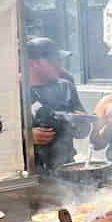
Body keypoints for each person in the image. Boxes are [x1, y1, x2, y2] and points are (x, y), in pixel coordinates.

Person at [27, 37, 90, 172]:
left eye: (59, 60)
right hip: (31, 172)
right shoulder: (14, 91)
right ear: (34, 63)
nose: (59, 65)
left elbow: (82, 132)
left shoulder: (66, 86)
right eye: (53, 61)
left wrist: (82, 122)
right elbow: (0, 136)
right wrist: (27, 136)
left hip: (66, 168)